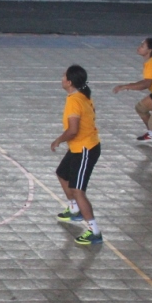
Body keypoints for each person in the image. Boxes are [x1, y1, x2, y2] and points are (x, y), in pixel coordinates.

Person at [52, 65, 103, 246]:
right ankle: (74, 210)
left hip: (85, 149)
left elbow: (73, 130)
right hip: (79, 146)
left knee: (78, 190)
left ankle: (94, 231)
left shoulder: (74, 101)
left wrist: (58, 140)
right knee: (62, 173)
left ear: (70, 82)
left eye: (64, 76)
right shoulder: (83, 96)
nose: (61, 78)